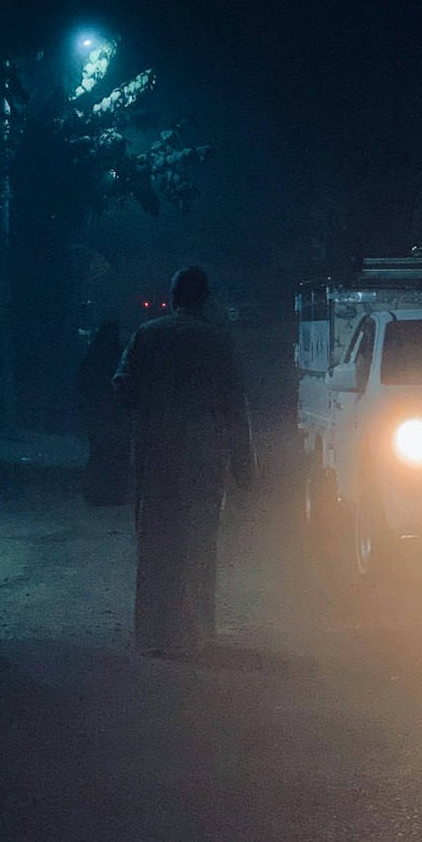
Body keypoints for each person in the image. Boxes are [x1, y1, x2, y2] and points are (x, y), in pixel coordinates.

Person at [114, 266, 254, 657]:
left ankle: (153, 636)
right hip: (204, 460)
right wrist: (245, 465)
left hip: (156, 457)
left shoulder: (148, 335)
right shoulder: (218, 341)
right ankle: (196, 636)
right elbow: (235, 405)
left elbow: (123, 387)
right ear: (204, 298)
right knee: (199, 545)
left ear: (173, 296)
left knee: (156, 542)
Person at [76, 321, 132, 505]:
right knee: (116, 452)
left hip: (96, 413)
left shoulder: (93, 357)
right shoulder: (119, 357)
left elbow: (82, 383)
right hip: (115, 413)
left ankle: (96, 492)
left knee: (99, 452)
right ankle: (114, 493)